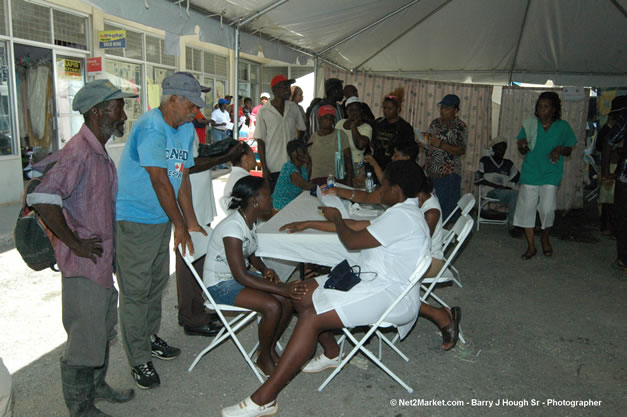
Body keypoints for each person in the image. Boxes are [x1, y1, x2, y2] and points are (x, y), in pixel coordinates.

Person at [221, 161, 461, 416]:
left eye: (384, 185)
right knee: (301, 293)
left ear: (396, 190)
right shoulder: (402, 212)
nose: (380, 190)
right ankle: (332, 353)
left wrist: (336, 218)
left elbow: (351, 238)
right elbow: (360, 227)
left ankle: (264, 398)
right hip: (372, 281)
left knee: (312, 317)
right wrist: (311, 223)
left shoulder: (403, 216)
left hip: (389, 295)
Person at [28, 80, 137, 415]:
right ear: (98, 111)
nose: (124, 113)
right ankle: (80, 407)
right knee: (83, 341)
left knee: (102, 332)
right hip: (83, 269)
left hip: (100, 265)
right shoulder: (79, 151)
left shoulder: (95, 150)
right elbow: (42, 197)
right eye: (119, 107)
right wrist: (74, 243)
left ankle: (96, 387)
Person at [115, 72, 208, 389]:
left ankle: (149, 336)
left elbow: (180, 178)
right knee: (136, 292)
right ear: (173, 100)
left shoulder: (184, 129)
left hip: (159, 221)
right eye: (192, 106)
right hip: (134, 220)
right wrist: (179, 224)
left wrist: (191, 221)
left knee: (155, 286)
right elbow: (159, 180)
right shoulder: (152, 127)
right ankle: (138, 358)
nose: (196, 112)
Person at [204, 176, 307, 377]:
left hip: (235, 277)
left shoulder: (249, 221)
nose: (272, 198)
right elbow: (241, 276)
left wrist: (264, 269)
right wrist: (281, 288)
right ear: (255, 201)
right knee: (273, 305)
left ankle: (265, 350)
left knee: (286, 301)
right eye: (267, 194)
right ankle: (264, 358)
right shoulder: (233, 228)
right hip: (219, 284)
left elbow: (249, 252)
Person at [175, 131, 244, 337]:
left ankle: (193, 310)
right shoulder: (179, 129)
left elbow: (196, 156)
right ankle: (192, 316)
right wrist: (225, 157)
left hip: (198, 203)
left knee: (197, 262)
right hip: (191, 206)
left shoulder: (185, 125)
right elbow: (189, 166)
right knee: (190, 262)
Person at [513, 91, 577, 260]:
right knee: (527, 209)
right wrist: (522, 145)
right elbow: (521, 145)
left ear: (554, 109)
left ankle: (545, 237)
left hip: (551, 172)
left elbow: (569, 148)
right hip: (531, 172)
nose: (542, 109)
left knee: (548, 209)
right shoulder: (529, 125)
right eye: (539, 106)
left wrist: (559, 149)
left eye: (546, 106)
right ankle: (531, 246)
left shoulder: (563, 126)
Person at [255, 75, 306, 191]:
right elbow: (260, 141)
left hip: (292, 164)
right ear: (275, 90)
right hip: (273, 165)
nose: (288, 90)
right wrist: (264, 168)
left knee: (293, 198)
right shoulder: (264, 111)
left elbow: (302, 129)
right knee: (277, 200)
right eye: (284, 87)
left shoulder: (293, 107)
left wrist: (296, 147)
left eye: (288, 87)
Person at [424, 94, 468, 221]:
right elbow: (431, 142)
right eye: (441, 107)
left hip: (448, 173)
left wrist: (442, 144)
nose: (443, 110)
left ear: (456, 109)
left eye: (447, 108)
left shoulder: (460, 126)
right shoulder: (435, 123)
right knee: (432, 205)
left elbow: (461, 149)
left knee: (446, 207)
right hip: (432, 170)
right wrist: (424, 142)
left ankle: (447, 235)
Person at [600, 95, 626, 273]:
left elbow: (608, 143)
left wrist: (605, 172)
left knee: (623, 218)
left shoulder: (624, 120)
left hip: (625, 178)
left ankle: (624, 260)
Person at [474, 138, 521, 236]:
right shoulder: (485, 160)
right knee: (514, 194)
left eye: (503, 149)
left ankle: (516, 225)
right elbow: (478, 179)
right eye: (499, 149)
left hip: (504, 193)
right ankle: (512, 226)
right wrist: (498, 186)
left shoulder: (508, 164)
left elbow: (518, 178)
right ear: (493, 149)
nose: (501, 151)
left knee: (518, 194)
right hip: (490, 191)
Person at [371, 88, 414, 174]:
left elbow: (409, 150)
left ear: (398, 109)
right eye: (384, 108)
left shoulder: (405, 127)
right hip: (377, 165)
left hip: (394, 168)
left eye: (390, 108)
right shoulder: (378, 123)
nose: (386, 111)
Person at [309, 105, 352, 184]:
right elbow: (308, 162)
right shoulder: (313, 137)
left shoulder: (340, 135)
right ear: (319, 119)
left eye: (331, 118)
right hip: (316, 180)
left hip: (337, 180)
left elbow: (348, 160)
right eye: (325, 117)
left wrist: (349, 183)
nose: (329, 120)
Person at [336, 96, 372, 187]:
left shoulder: (366, 127)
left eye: (357, 110)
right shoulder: (340, 123)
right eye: (351, 110)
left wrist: (353, 127)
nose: (354, 113)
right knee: (340, 191)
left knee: (357, 192)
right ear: (346, 111)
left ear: (361, 111)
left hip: (357, 165)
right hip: (339, 163)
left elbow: (360, 145)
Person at [272, 139, 314, 210]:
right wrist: (324, 187)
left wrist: (309, 163)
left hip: (291, 205)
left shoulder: (302, 168)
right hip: (280, 208)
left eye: (306, 150)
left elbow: (307, 182)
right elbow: (306, 185)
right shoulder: (288, 167)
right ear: (294, 154)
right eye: (303, 151)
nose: (307, 153)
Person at [221, 142, 257, 211]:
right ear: (245, 158)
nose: (254, 157)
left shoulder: (234, 176)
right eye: (252, 154)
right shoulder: (246, 179)